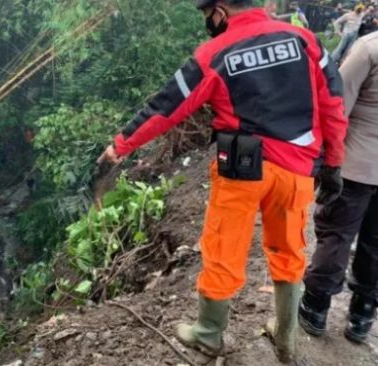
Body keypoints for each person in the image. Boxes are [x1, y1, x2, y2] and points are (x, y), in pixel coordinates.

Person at [97, 0, 348, 362]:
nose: (207, 23)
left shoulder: (213, 54)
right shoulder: (306, 40)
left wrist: (119, 147)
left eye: (206, 15)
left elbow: (165, 108)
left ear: (220, 10)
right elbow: (333, 103)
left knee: (223, 248)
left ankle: (210, 333)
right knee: (289, 249)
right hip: (297, 169)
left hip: (242, 169)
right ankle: (286, 337)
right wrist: (334, 163)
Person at [299, 31, 378, 345]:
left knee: (336, 234)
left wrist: (322, 159)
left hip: (356, 165)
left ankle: (315, 307)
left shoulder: (368, 49)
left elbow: (336, 105)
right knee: (376, 243)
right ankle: (363, 314)